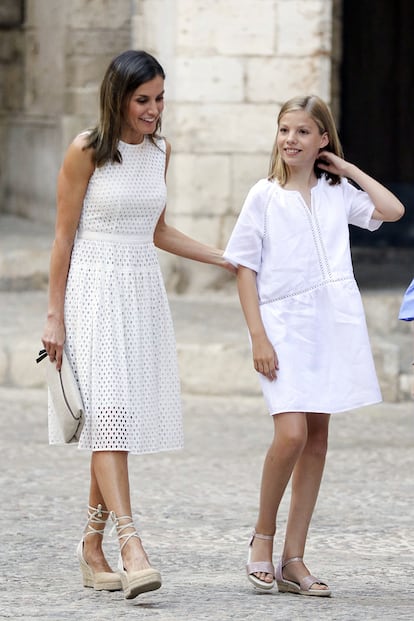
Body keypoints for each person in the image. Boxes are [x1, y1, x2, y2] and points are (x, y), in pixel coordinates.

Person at [41, 49, 234, 600]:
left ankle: (90, 547)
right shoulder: (86, 150)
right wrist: (53, 316)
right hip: (92, 294)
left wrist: (222, 257)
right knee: (109, 418)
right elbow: (61, 239)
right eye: (143, 100)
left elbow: (159, 230)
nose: (154, 110)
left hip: (140, 292)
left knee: (116, 418)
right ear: (118, 97)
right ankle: (132, 547)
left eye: (160, 98)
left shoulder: (159, 151)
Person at [223, 95, 404, 596]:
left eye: (303, 132)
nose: (290, 140)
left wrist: (345, 168)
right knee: (291, 434)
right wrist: (258, 335)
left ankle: (294, 559)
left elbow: (393, 209)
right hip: (282, 326)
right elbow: (244, 268)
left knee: (318, 439)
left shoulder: (336, 191)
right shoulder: (263, 194)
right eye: (284, 130)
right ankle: (262, 536)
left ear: (322, 140)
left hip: (332, 325)